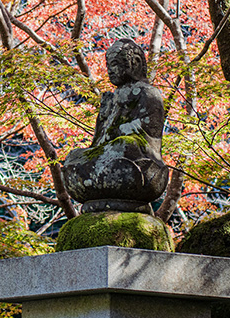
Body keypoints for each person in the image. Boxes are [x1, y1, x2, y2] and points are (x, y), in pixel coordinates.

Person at [62, 39, 169, 212]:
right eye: (108, 65)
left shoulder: (148, 92)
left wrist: (120, 128)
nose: (110, 70)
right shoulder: (112, 97)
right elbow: (99, 139)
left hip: (137, 153)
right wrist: (104, 117)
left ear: (134, 63)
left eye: (114, 64)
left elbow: (151, 131)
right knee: (74, 156)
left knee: (123, 145)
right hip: (109, 152)